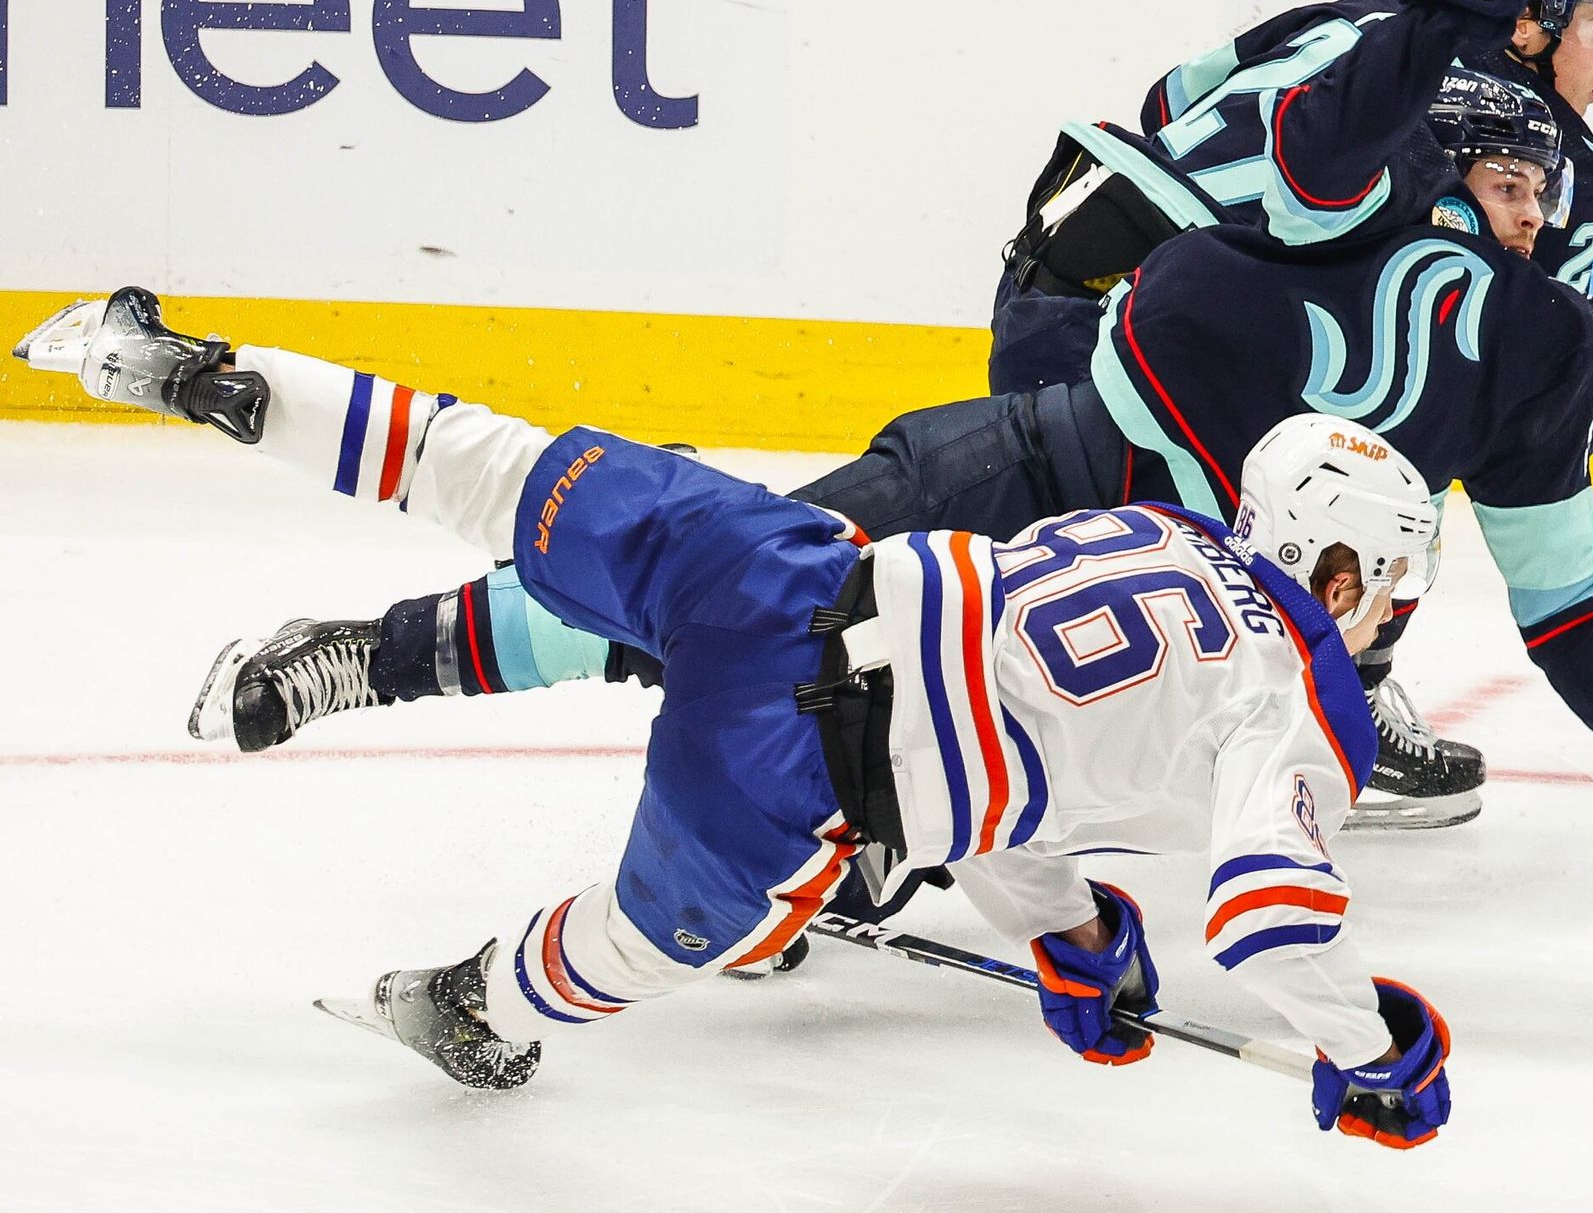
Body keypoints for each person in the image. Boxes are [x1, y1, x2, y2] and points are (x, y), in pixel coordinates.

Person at [169, 0, 1578, 838]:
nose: (1533, 221)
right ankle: (383, 655)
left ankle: (864, 810)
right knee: (758, 586)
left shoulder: (1469, 218)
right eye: (1511, 192)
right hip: (1081, 359)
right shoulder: (1379, 134)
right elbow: (1273, 148)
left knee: (1310, 529)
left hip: (1166, 437)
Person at [14, 293, 1455, 1148]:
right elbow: (1269, 915)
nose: (1388, 615)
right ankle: (469, 1002)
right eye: (1389, 585)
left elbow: (1014, 753)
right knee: (646, 940)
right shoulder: (1301, 690)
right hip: (793, 774)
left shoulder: (1161, 531)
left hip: (777, 564)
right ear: (1342, 569)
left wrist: (1071, 937)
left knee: (481, 458)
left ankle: (189, 369)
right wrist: (1370, 1048)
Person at [1088, 66, 1593, 912]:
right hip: (1059, 440)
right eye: (1509, 185)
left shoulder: (1493, 323)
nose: (1534, 217)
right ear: (1436, 179)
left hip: (1132, 529)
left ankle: (1326, 698)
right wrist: (1572, 378)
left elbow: (1570, 581)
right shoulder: (1294, 239)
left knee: (1386, 520)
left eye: (1539, 192)